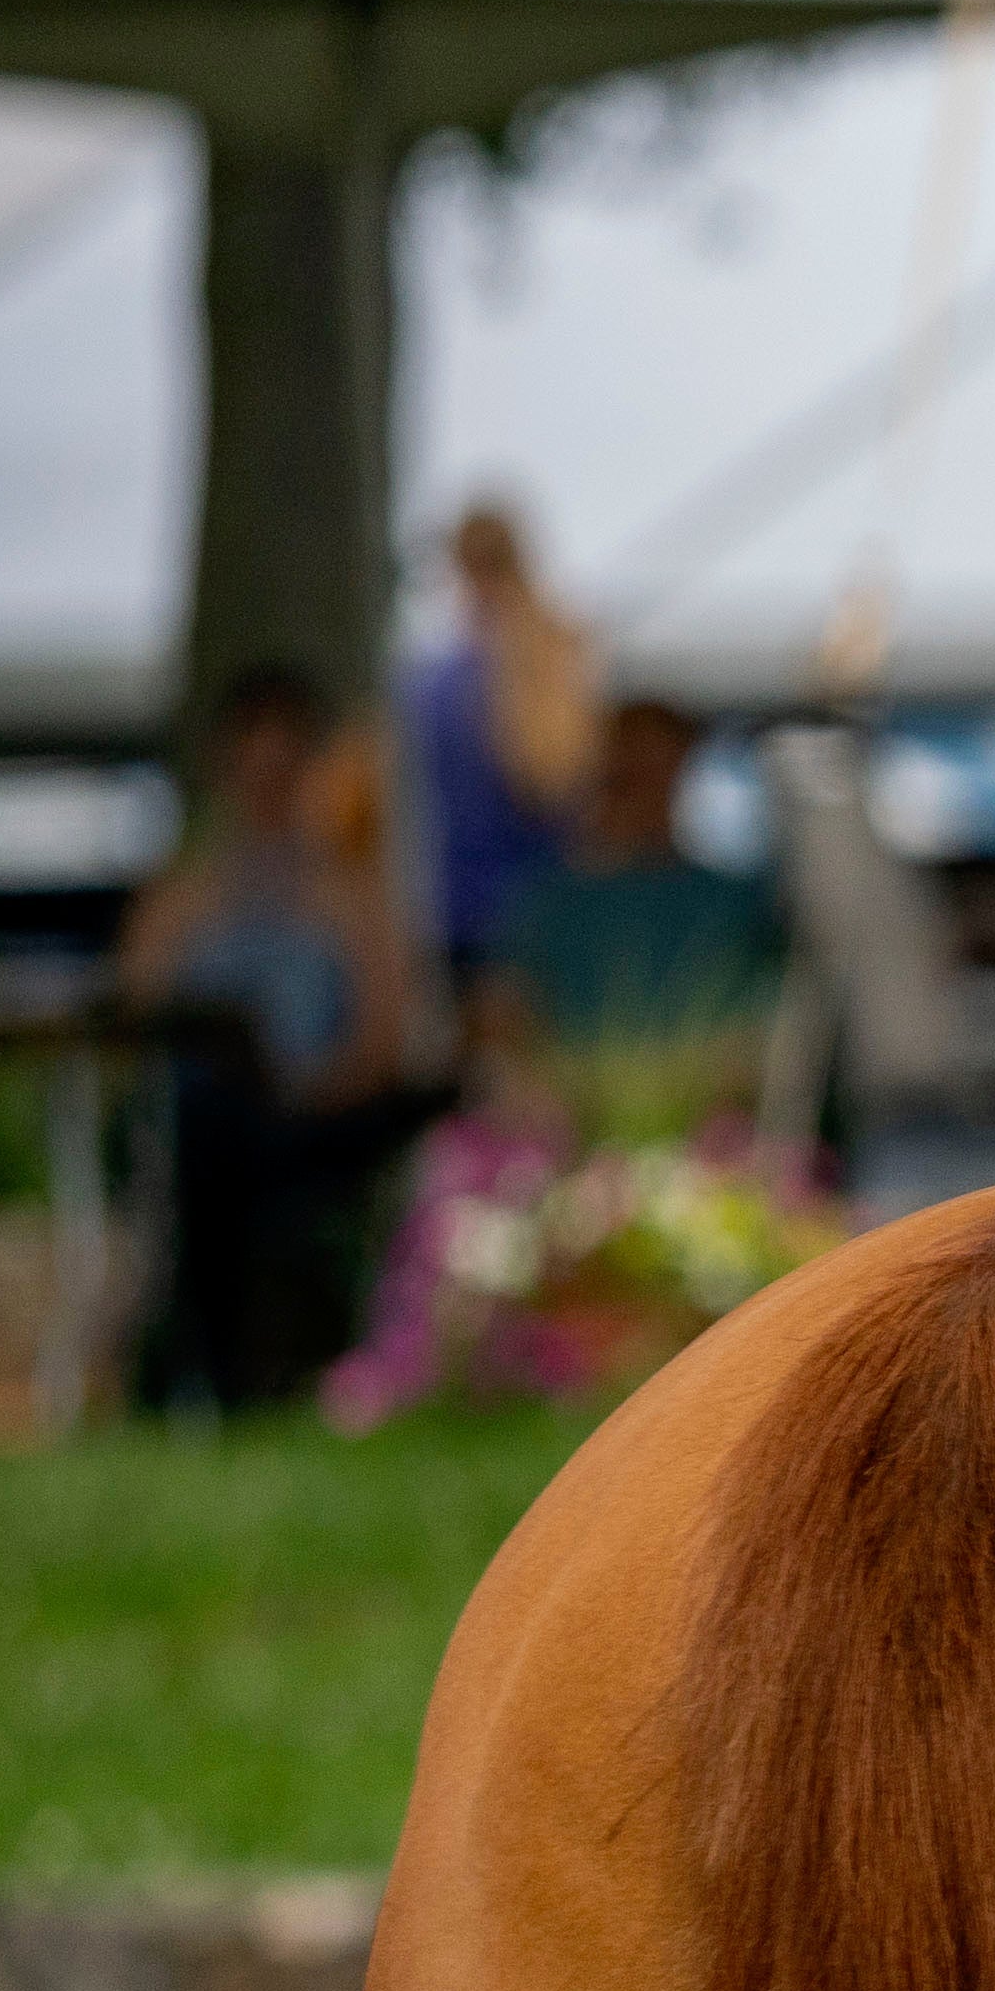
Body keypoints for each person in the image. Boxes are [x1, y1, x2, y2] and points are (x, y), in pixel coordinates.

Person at [120, 664, 428, 1405]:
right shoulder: (186, 890)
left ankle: (221, 1373)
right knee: (205, 1133)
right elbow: (134, 1009)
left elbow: (385, 1043)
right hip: (204, 1124)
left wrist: (312, 1091)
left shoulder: (352, 891)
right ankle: (206, 1370)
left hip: (313, 1119)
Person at [495, 700, 782, 1058]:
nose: (645, 794)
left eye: (659, 775)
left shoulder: (735, 900)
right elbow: (503, 1020)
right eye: (629, 776)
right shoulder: (550, 902)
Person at [408, 496, 601, 981]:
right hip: (457, 923)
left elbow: (548, 779)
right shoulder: (440, 676)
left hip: (522, 923)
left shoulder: (540, 657)